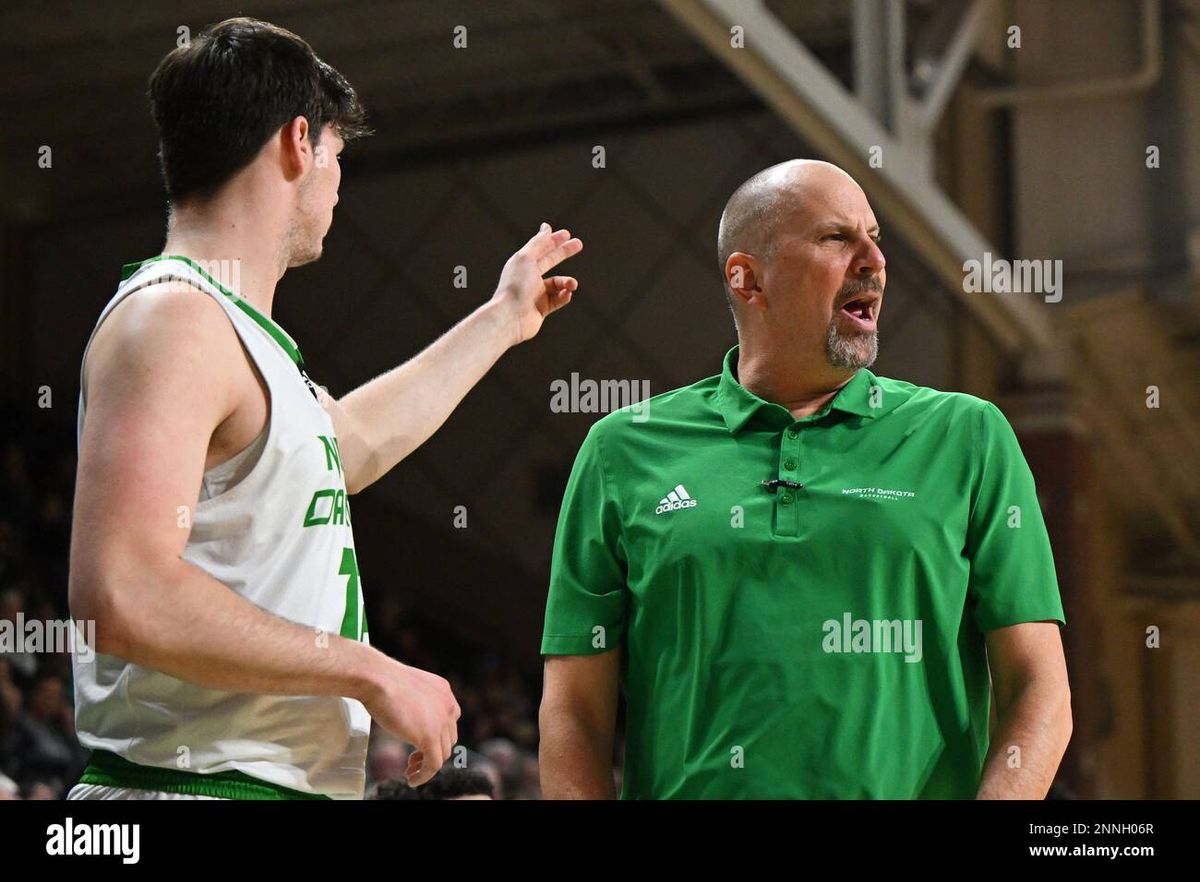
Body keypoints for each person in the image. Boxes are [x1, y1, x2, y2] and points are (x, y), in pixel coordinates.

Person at [67, 17, 582, 801]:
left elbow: (357, 442)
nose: (338, 184)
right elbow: (122, 592)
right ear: (297, 142)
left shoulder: (236, 334)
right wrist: (367, 667)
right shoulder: (170, 320)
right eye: (338, 156)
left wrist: (502, 320)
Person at [538, 159, 1071, 799]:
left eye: (875, 237)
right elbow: (574, 712)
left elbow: (1040, 688)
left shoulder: (967, 436)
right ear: (748, 279)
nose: (874, 259)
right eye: (835, 238)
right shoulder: (621, 450)